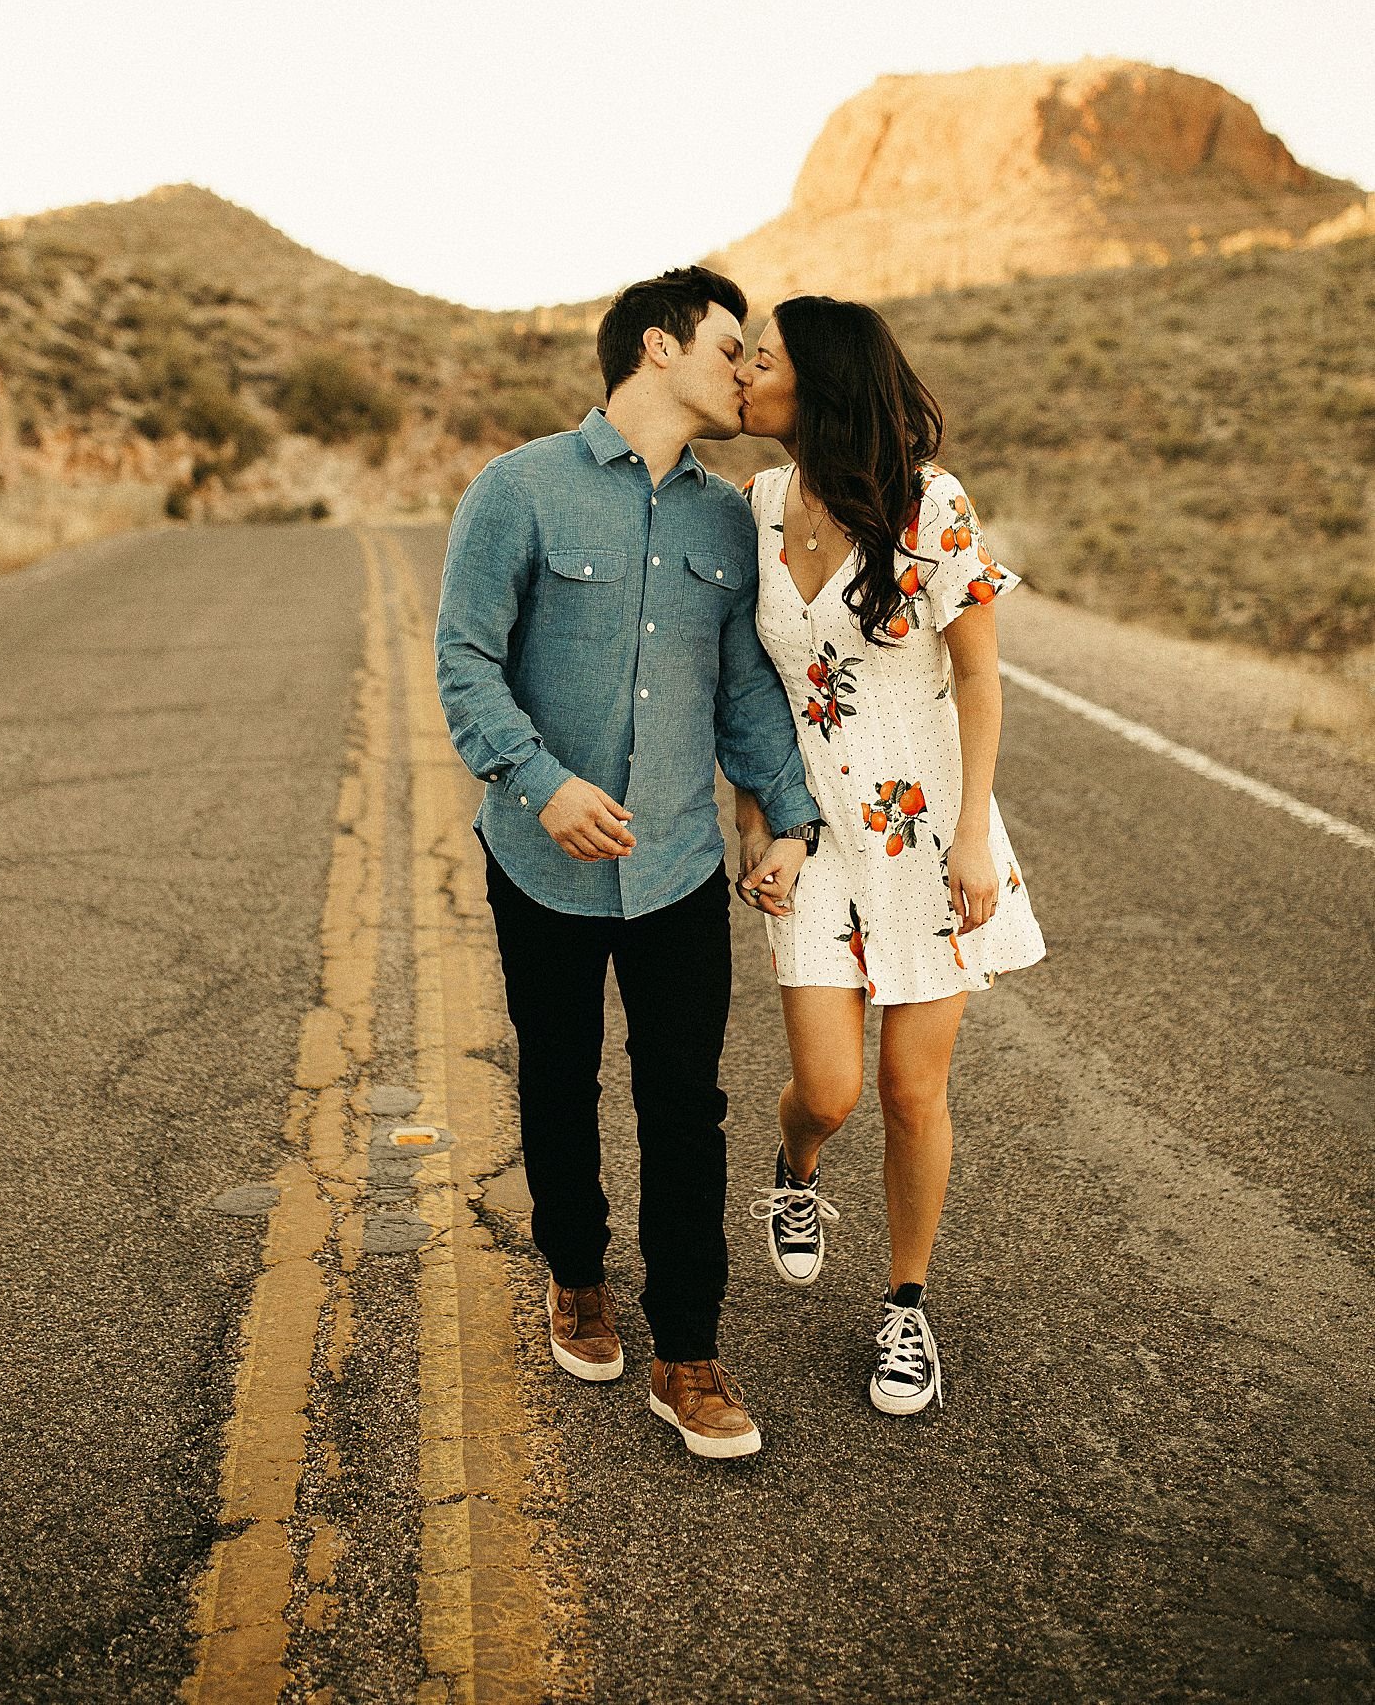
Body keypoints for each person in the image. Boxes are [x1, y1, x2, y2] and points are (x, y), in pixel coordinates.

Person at [435, 265, 821, 1461]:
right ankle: (576, 1273)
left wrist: (789, 818)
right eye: (726, 344)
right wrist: (541, 787)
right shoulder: (520, 491)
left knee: (685, 1106)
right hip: (539, 860)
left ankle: (689, 1353)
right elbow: (464, 661)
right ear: (657, 347)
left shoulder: (726, 516)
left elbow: (746, 687)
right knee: (558, 1078)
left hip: (675, 868)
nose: (743, 368)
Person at [735, 295, 1045, 1415]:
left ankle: (906, 1308)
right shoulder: (758, 504)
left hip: (929, 833)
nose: (743, 376)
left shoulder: (931, 505)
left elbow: (979, 676)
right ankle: (796, 1171)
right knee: (828, 1089)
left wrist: (973, 835)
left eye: (760, 361)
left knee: (914, 1092)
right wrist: (758, 823)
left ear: (814, 385)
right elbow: (744, 690)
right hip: (811, 833)